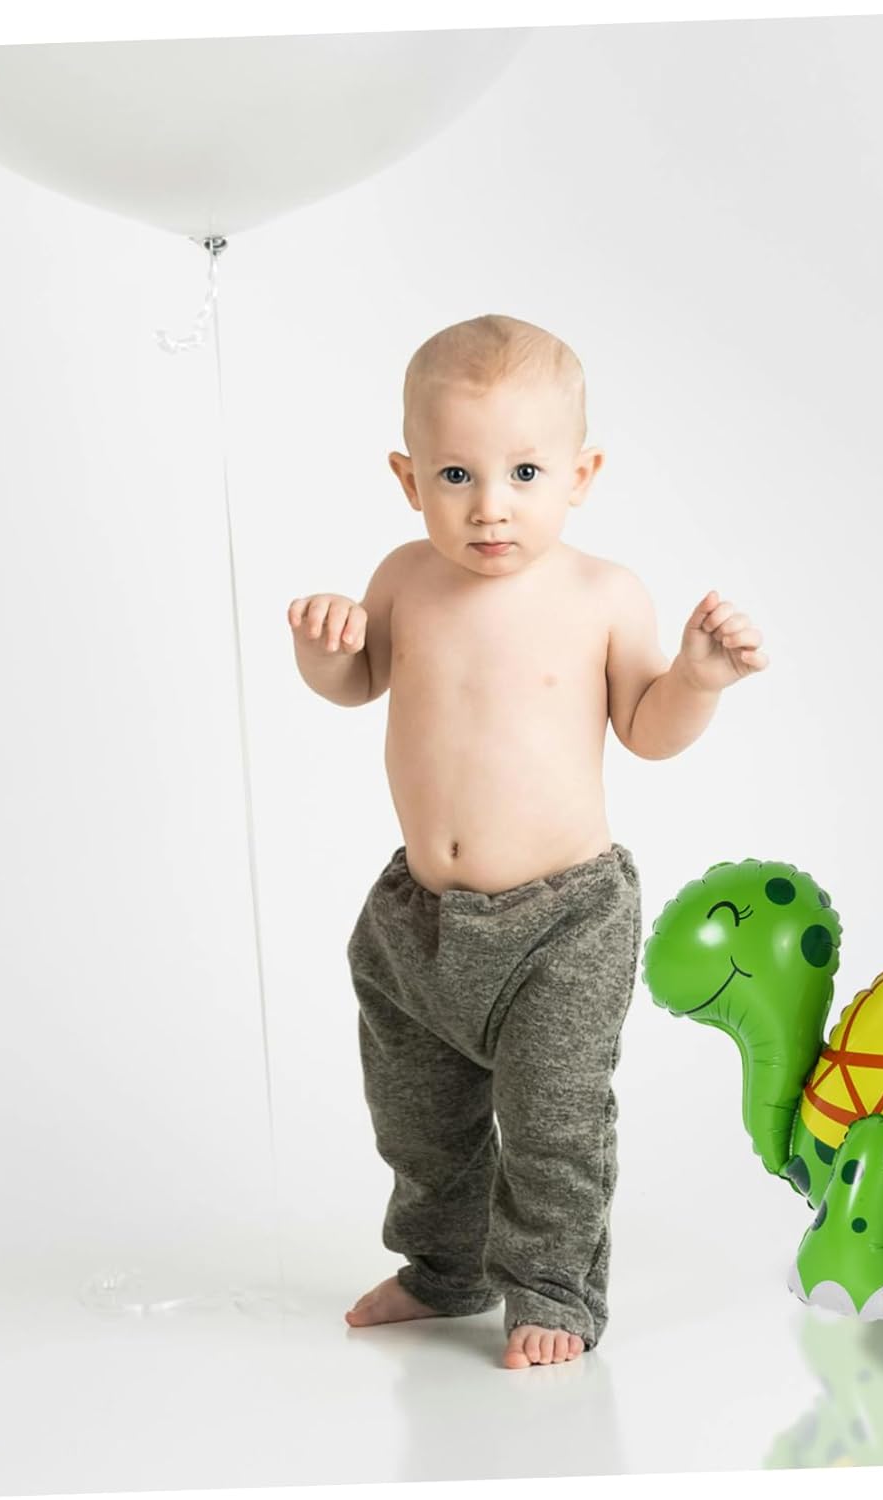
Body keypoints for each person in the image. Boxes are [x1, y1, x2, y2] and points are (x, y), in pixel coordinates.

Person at [288, 313, 768, 1369]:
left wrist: (695, 680)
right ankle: (442, 1268)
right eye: (456, 475)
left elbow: (646, 731)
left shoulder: (603, 595)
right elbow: (355, 685)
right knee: (420, 1122)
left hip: (563, 923)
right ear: (408, 478)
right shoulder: (404, 577)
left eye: (525, 473)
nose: (490, 506)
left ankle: (553, 1288)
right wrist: (322, 651)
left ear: (581, 474)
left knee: (553, 1123)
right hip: (415, 922)